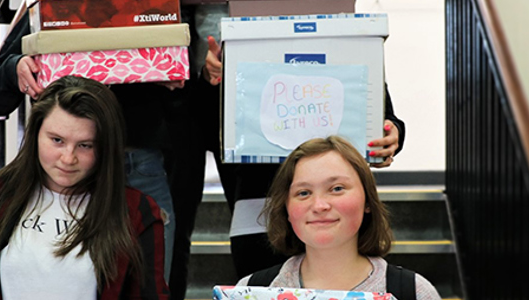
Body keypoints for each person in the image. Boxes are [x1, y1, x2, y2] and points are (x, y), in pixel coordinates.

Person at [166, 5, 406, 297]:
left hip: (321, 207)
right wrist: (209, 80)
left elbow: (375, 104)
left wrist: (392, 132)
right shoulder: (236, 32)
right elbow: (202, 131)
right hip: (258, 206)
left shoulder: (338, 29)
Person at [0, 14, 180, 282]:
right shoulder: (55, 8)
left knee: (148, 282)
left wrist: (174, 71)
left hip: (134, 164)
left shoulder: (153, 9)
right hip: (63, 179)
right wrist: (15, 69)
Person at [0, 76, 169, 299]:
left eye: (85, 145)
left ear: (104, 146)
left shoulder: (136, 211)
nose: (68, 158)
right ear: (35, 133)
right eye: (57, 140)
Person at [234, 136, 438, 300]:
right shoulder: (250, 292)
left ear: (367, 200)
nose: (319, 205)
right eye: (303, 193)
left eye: (337, 189)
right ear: (286, 208)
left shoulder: (413, 292)